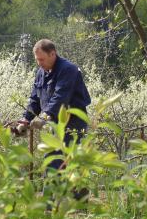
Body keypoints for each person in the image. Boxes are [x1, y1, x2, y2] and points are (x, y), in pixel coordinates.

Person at [16, 39, 91, 171]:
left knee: (57, 163)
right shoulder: (41, 73)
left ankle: (56, 191)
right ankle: (69, 191)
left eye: (42, 59)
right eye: (37, 60)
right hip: (54, 123)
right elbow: (35, 99)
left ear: (52, 54)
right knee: (58, 164)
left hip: (73, 123)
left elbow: (60, 97)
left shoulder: (68, 70)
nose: (39, 63)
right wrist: (26, 119)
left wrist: (44, 117)